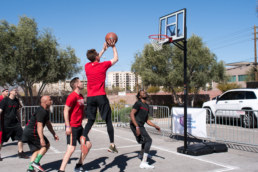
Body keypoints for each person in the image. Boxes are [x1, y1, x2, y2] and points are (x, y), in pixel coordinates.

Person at [81, 40, 118, 153]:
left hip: (91, 98)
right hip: (101, 96)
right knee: (108, 121)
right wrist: (113, 47)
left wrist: (102, 50)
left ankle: (83, 137)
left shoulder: (87, 66)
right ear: (97, 57)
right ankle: (112, 144)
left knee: (90, 121)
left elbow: (95, 59)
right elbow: (116, 58)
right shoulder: (103, 65)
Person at [58, 77, 92, 172]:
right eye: (81, 82)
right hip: (72, 127)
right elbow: (65, 111)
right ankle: (61, 170)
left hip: (79, 126)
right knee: (71, 149)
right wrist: (68, 126)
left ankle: (78, 165)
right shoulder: (72, 96)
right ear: (76, 85)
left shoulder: (81, 96)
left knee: (88, 144)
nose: (82, 83)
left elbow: (80, 111)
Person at [22, 95, 59, 172]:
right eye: (50, 99)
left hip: (28, 131)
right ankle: (36, 163)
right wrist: (41, 139)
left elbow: (48, 124)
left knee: (36, 150)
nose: (51, 101)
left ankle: (30, 169)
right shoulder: (42, 111)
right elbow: (39, 126)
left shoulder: (45, 110)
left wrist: (54, 133)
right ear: (45, 102)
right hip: (33, 131)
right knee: (45, 145)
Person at [130, 90, 161, 169]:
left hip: (141, 125)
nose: (145, 93)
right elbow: (132, 114)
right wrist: (136, 127)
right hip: (135, 125)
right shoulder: (138, 103)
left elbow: (147, 120)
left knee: (144, 140)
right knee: (149, 140)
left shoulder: (147, 106)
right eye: (142, 93)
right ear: (140, 96)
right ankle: (143, 163)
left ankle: (141, 154)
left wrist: (155, 126)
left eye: (145, 92)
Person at [0, 87, 29, 161]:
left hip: (15, 123)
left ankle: (20, 152)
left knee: (21, 137)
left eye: (16, 90)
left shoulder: (16, 100)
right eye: (15, 90)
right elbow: (0, 110)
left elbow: (17, 111)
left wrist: (19, 121)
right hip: (6, 123)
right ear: (10, 92)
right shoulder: (4, 101)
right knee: (2, 140)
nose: (16, 92)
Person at [0, 88, 9, 161]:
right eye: (6, 91)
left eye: (8, 91)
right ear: (2, 92)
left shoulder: (7, 100)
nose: (7, 92)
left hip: (4, 121)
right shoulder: (0, 99)